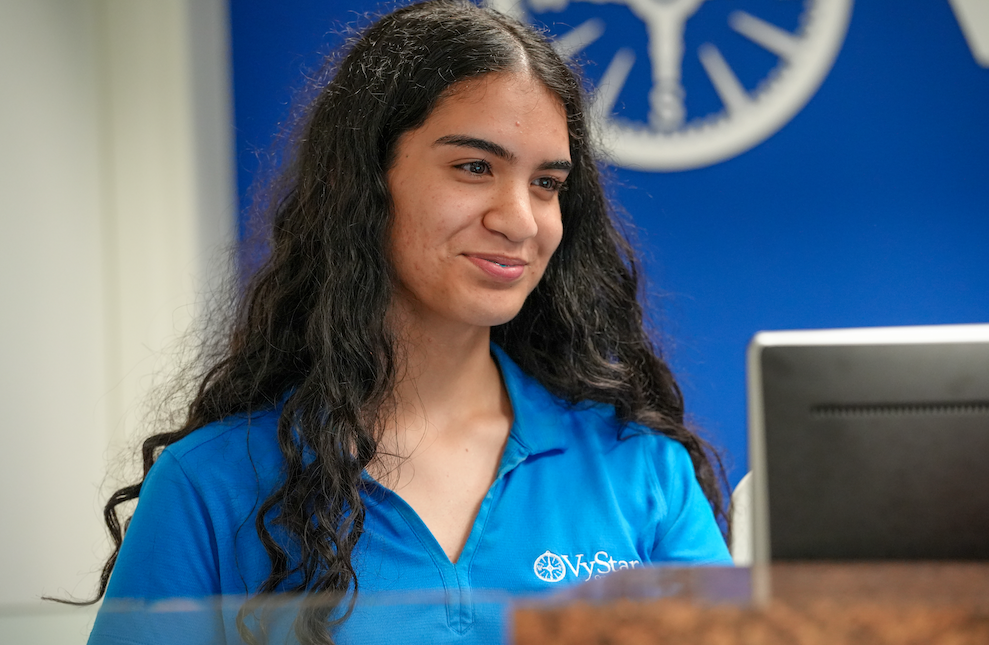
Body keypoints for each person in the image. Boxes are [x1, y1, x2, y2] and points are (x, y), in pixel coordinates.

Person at [84, 1, 731, 643]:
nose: (520, 220)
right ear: (361, 181)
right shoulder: (211, 483)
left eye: (545, 183)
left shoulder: (639, 471)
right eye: (474, 167)